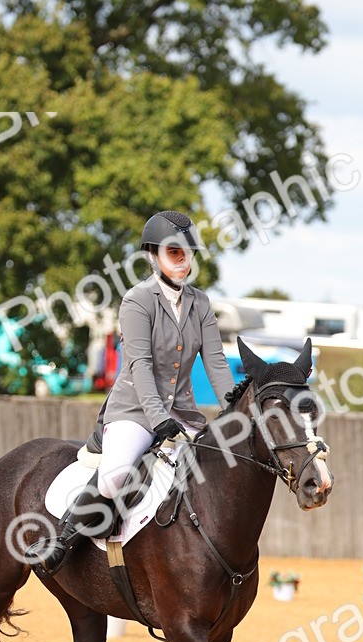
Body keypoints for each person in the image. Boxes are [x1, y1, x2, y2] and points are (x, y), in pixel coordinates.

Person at [30, 209, 234, 575]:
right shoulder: (138, 300)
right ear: (153, 255)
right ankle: (64, 538)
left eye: (188, 252)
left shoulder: (200, 303)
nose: (183, 260)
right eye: (174, 252)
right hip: (135, 412)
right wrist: (159, 420)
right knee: (117, 474)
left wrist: (234, 409)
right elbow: (139, 366)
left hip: (184, 415)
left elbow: (217, 364)